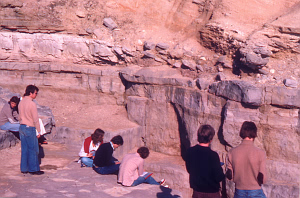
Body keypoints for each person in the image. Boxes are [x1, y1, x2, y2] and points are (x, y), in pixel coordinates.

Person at [226, 121, 267, 198]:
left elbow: (230, 176)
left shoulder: (232, 152)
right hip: (255, 191)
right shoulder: (260, 153)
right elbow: (263, 179)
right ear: (254, 133)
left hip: (239, 191)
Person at [185, 125, 225, 198]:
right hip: (212, 193)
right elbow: (219, 177)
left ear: (198, 137)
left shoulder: (190, 151)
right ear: (211, 139)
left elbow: (189, 169)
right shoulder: (213, 155)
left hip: (197, 192)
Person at [18, 85, 44, 175]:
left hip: (22, 127)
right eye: (35, 93)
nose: (36, 95)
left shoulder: (21, 102)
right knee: (33, 149)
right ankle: (33, 169)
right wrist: (39, 131)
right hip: (30, 127)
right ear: (31, 93)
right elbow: (35, 119)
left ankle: (24, 168)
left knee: (24, 149)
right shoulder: (32, 104)